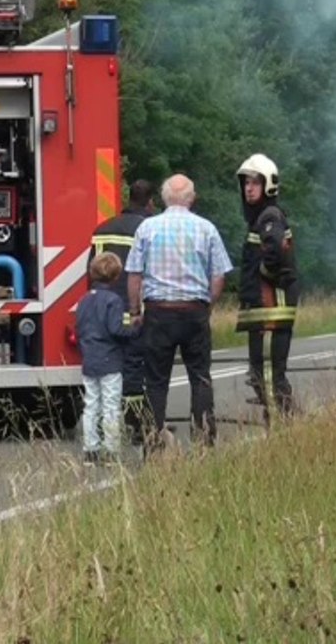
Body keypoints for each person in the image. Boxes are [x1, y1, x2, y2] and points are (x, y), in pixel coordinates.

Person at [124, 174, 234, 452]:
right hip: (194, 311)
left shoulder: (147, 228)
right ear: (192, 198)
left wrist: (136, 310)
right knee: (199, 377)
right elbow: (219, 275)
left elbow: (134, 274)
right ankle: (204, 441)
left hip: (159, 312)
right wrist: (207, 305)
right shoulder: (206, 228)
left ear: (162, 198)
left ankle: (153, 444)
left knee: (156, 381)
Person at [234, 154, 300, 427]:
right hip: (262, 308)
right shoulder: (260, 217)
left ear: (268, 185)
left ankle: (281, 424)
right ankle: (278, 418)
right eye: (246, 183)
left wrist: (263, 273)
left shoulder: (269, 216)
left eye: (255, 183)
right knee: (260, 370)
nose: (249, 188)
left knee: (271, 373)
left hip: (272, 307)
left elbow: (274, 252)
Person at [88, 179, 156, 444]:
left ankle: (105, 425)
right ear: (150, 203)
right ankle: (137, 425)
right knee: (134, 367)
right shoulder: (148, 228)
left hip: (102, 313)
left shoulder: (102, 228)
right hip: (133, 310)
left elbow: (90, 271)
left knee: (106, 371)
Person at [73, 252, 141, 465]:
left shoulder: (84, 300)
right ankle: (110, 450)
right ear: (116, 276)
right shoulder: (113, 301)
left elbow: (79, 328)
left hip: (89, 359)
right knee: (111, 405)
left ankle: (90, 451)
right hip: (110, 360)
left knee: (91, 404)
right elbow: (116, 330)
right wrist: (135, 329)